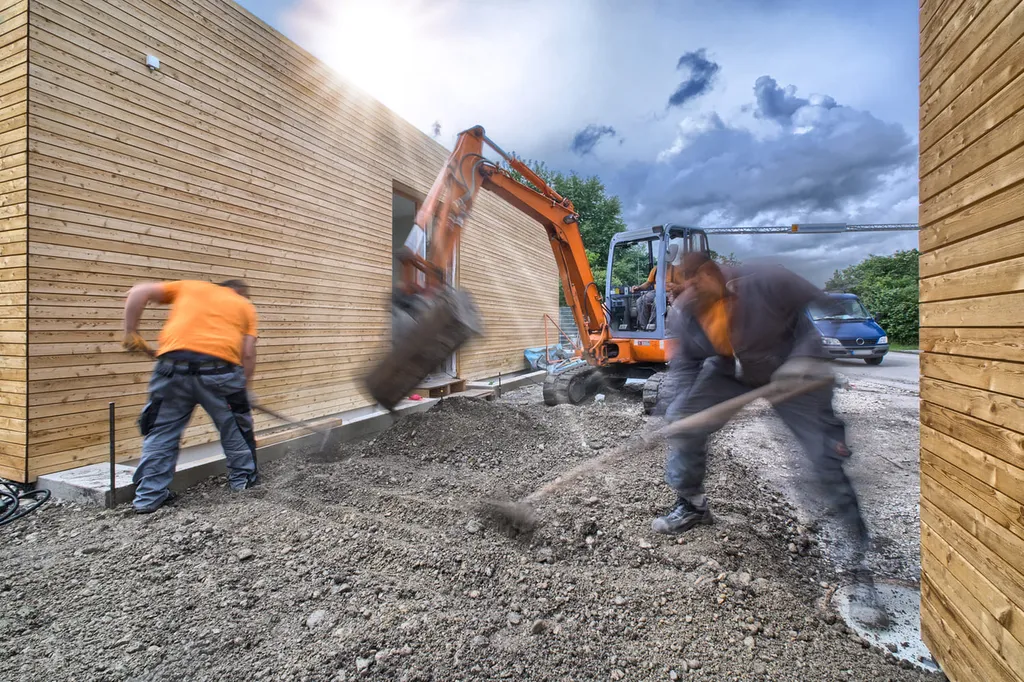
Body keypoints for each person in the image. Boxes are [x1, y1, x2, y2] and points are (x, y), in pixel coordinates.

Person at [652, 252, 888, 628]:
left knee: (824, 456)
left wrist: (807, 356)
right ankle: (693, 504)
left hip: (792, 368)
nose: (682, 294)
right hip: (730, 370)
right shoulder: (686, 311)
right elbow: (683, 369)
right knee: (685, 420)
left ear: (711, 274)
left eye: (689, 285)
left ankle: (856, 562)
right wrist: (669, 416)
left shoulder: (764, 279)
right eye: (677, 288)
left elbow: (823, 305)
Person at [121, 279, 260, 513]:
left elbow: (139, 290)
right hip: (220, 373)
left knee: (161, 431)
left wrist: (131, 332)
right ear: (240, 292)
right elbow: (247, 353)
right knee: (235, 428)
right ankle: (242, 483)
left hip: (170, 369)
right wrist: (244, 389)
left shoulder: (190, 286)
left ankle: (149, 497)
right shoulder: (244, 305)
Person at [635, 238, 687, 329]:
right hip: (656, 292)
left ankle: (653, 326)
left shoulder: (676, 271)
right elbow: (648, 283)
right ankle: (643, 327)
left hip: (670, 293)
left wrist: (675, 286)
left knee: (657, 300)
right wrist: (638, 288)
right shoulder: (655, 270)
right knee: (640, 300)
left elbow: (684, 286)